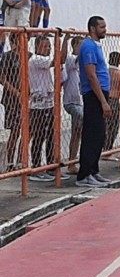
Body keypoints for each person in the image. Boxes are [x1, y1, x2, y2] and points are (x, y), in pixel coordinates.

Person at [77, 16, 113, 187]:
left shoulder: (95, 46)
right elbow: (91, 75)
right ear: (92, 28)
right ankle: (84, 174)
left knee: (99, 134)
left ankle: (93, 170)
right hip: (93, 95)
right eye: (101, 27)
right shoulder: (89, 46)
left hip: (100, 93)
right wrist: (103, 101)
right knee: (91, 134)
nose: (104, 29)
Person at [27, 36, 57, 181]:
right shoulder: (36, 59)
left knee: (50, 135)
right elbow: (58, 60)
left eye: (50, 46)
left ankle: (50, 166)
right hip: (38, 104)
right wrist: (63, 41)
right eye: (46, 46)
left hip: (48, 102)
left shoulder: (42, 61)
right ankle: (36, 167)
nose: (49, 49)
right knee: (39, 136)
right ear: (38, 47)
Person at [0, 37, 23, 171]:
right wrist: (16, 92)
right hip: (12, 99)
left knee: (27, 130)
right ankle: (10, 162)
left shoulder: (27, 55)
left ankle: (21, 160)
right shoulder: (8, 57)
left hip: (26, 98)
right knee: (14, 131)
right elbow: (2, 78)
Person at [62, 36, 84, 174]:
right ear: (74, 45)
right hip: (71, 101)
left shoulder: (83, 63)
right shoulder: (71, 59)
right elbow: (65, 58)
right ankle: (72, 161)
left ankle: (73, 161)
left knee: (77, 133)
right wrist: (65, 39)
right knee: (80, 120)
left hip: (80, 101)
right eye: (80, 45)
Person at [103, 51, 120, 151]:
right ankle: (108, 149)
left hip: (104, 99)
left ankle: (103, 147)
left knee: (104, 125)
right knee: (114, 126)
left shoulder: (105, 72)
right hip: (114, 100)